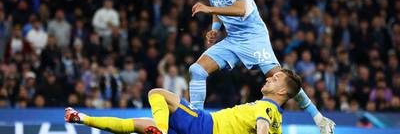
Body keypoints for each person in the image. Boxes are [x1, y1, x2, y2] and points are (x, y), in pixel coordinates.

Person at [190, 0, 334, 133]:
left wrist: (207, 9)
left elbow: (240, 9)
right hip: (233, 38)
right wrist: (215, 27)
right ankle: (195, 121)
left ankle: (319, 119)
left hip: (253, 37)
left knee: (281, 78)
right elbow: (219, 5)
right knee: (197, 70)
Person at [65, 69, 301, 134]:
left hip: (205, 126)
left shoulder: (267, 108)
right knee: (137, 124)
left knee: (157, 93)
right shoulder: (275, 120)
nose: (270, 78)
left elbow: (261, 126)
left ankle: (161, 129)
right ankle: (81, 118)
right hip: (202, 129)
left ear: (282, 92)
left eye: (276, 78)